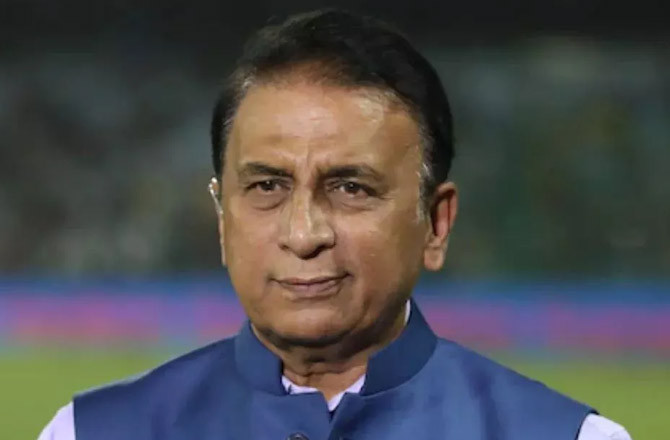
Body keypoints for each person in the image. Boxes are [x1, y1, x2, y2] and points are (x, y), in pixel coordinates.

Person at [39, 9, 631, 440]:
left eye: (351, 188)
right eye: (267, 186)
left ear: (435, 223)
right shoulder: (88, 433)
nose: (303, 235)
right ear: (222, 217)